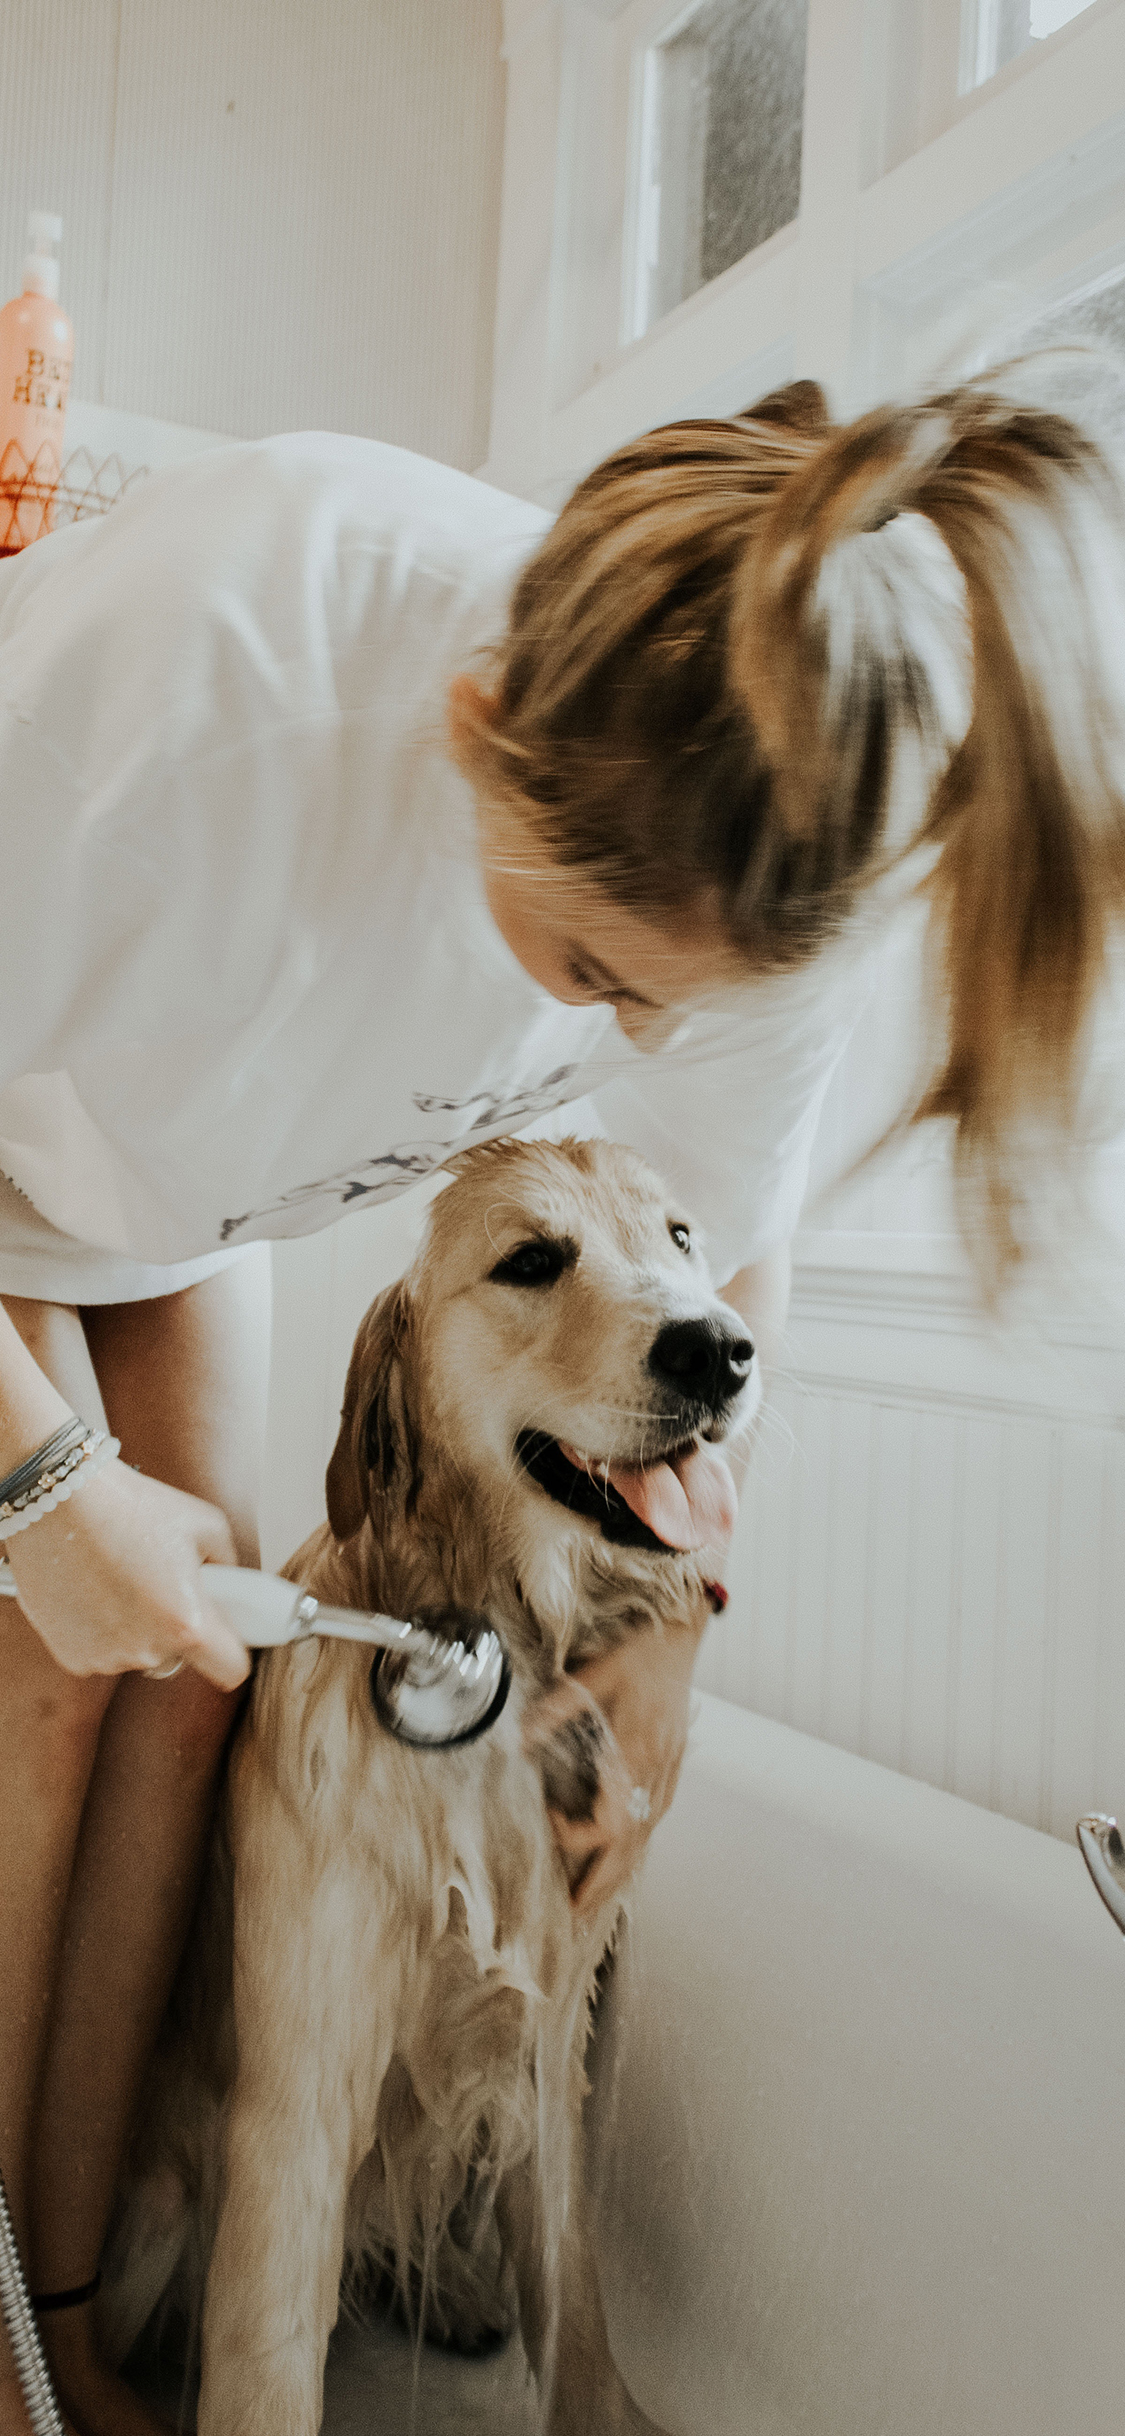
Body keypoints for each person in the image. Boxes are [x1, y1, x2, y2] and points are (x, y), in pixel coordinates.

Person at [1, 361, 1122, 2435]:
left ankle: (54, 2317)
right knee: (56, 1676)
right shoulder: (210, 673)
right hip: (20, 1109)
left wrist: (672, 1639)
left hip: (171, 1180)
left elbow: (725, 1249)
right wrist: (41, 1494)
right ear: (473, 743)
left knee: (191, 1668)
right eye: (602, 978)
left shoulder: (757, 856)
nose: (635, 1035)